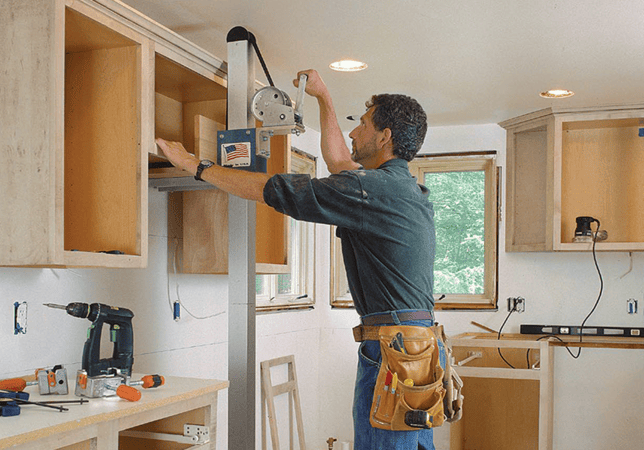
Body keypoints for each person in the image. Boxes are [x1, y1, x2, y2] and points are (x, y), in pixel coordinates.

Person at [156, 69, 438, 450]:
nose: (354, 133)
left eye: (364, 124)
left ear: (385, 137)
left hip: (393, 349)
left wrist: (195, 165)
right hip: (418, 348)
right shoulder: (404, 189)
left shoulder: (370, 190)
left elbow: (269, 188)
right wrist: (324, 97)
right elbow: (340, 160)